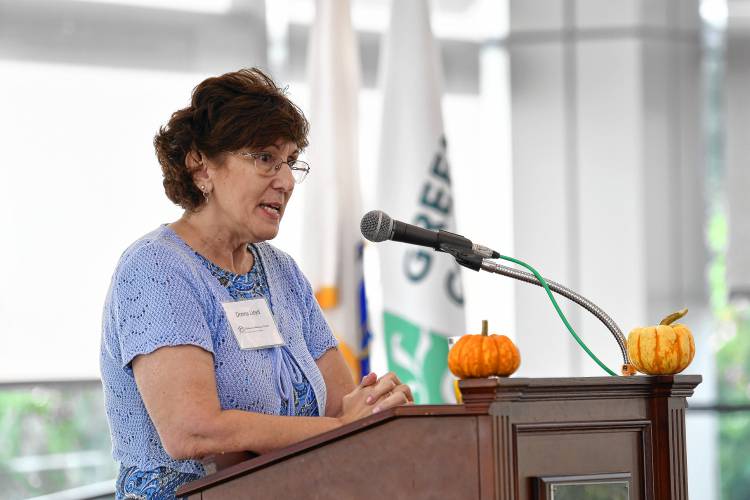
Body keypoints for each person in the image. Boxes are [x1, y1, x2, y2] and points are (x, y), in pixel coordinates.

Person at [100, 67, 413, 499]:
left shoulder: (282, 272)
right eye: (265, 157)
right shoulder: (157, 268)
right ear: (201, 166)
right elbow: (193, 431)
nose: (285, 181)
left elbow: (342, 407)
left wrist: (376, 404)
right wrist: (340, 425)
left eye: (290, 162)